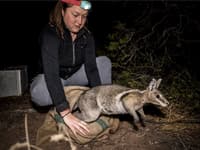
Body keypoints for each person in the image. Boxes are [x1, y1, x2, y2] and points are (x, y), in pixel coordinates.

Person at [30, 0, 112, 136]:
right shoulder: (50, 33)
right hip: (54, 77)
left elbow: (91, 69)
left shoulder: (86, 36)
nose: (79, 21)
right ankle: (65, 99)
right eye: (75, 15)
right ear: (62, 12)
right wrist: (65, 112)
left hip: (75, 76)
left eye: (84, 16)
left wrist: (100, 99)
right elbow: (51, 73)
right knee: (39, 93)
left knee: (103, 62)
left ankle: (86, 98)